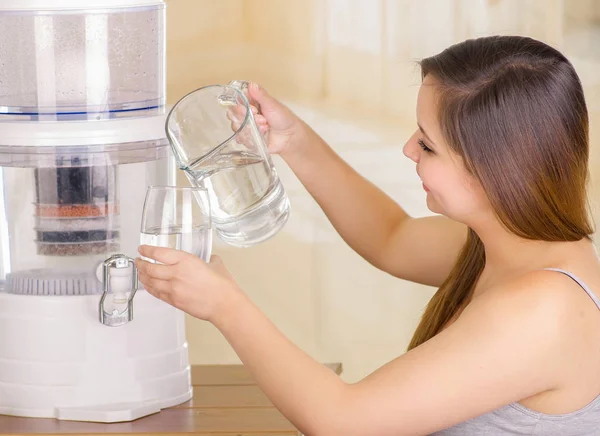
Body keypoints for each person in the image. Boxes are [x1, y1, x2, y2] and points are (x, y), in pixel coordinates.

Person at [136, 35, 600, 435]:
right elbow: (391, 237)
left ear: (496, 171)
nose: (407, 148)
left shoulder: (544, 310)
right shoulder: (515, 243)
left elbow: (344, 422)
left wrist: (224, 304)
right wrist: (295, 140)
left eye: (427, 144)